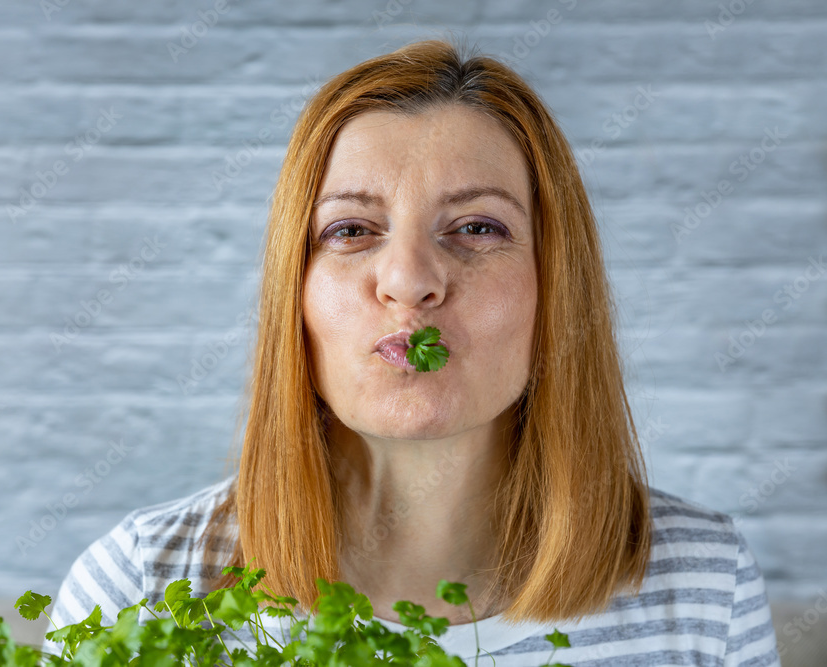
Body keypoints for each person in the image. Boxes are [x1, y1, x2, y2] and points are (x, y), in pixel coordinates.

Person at [43, 37, 781, 665]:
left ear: (555, 285)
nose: (410, 281)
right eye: (352, 231)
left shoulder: (704, 588)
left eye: (477, 228)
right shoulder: (141, 586)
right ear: (293, 296)